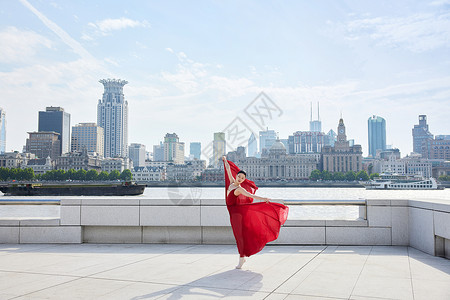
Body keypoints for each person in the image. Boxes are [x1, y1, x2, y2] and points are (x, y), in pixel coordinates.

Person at [222, 156, 289, 269]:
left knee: (240, 236)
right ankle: (242, 257)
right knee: (239, 235)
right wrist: (225, 160)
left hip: (236, 213)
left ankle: (241, 258)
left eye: (242, 178)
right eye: (239, 176)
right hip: (232, 212)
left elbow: (251, 196)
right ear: (237, 176)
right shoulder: (233, 183)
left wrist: (263, 198)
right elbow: (228, 169)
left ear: (243, 180)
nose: (240, 179)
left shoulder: (240, 189)